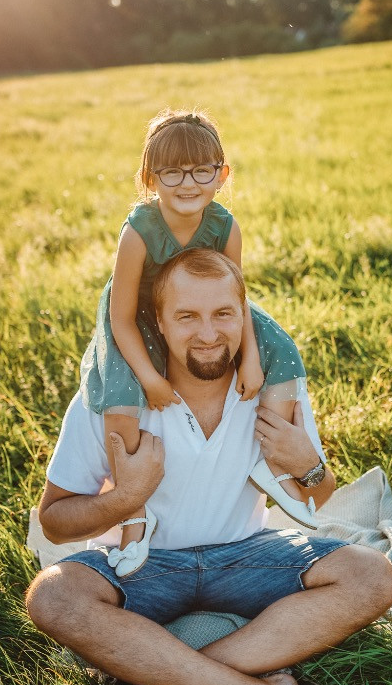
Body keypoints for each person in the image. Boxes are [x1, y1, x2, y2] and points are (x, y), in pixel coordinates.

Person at [26, 250, 392, 685]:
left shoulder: (272, 389)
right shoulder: (113, 397)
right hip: (144, 565)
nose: (208, 333)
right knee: (52, 597)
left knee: (373, 576)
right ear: (159, 322)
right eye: (187, 317)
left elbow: (317, 497)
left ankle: (159, 681)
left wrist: (307, 463)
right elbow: (54, 519)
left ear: (244, 316)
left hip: (248, 557)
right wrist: (125, 498)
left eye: (223, 313)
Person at [79, 109, 320, 578]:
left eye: (202, 169)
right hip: (143, 319)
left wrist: (251, 358)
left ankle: (278, 467)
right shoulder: (138, 234)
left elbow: (237, 297)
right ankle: (134, 515)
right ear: (150, 178)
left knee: (283, 349)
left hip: (204, 313)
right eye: (172, 171)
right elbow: (121, 318)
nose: (188, 182)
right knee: (120, 393)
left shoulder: (225, 227)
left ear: (222, 174)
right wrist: (149, 377)